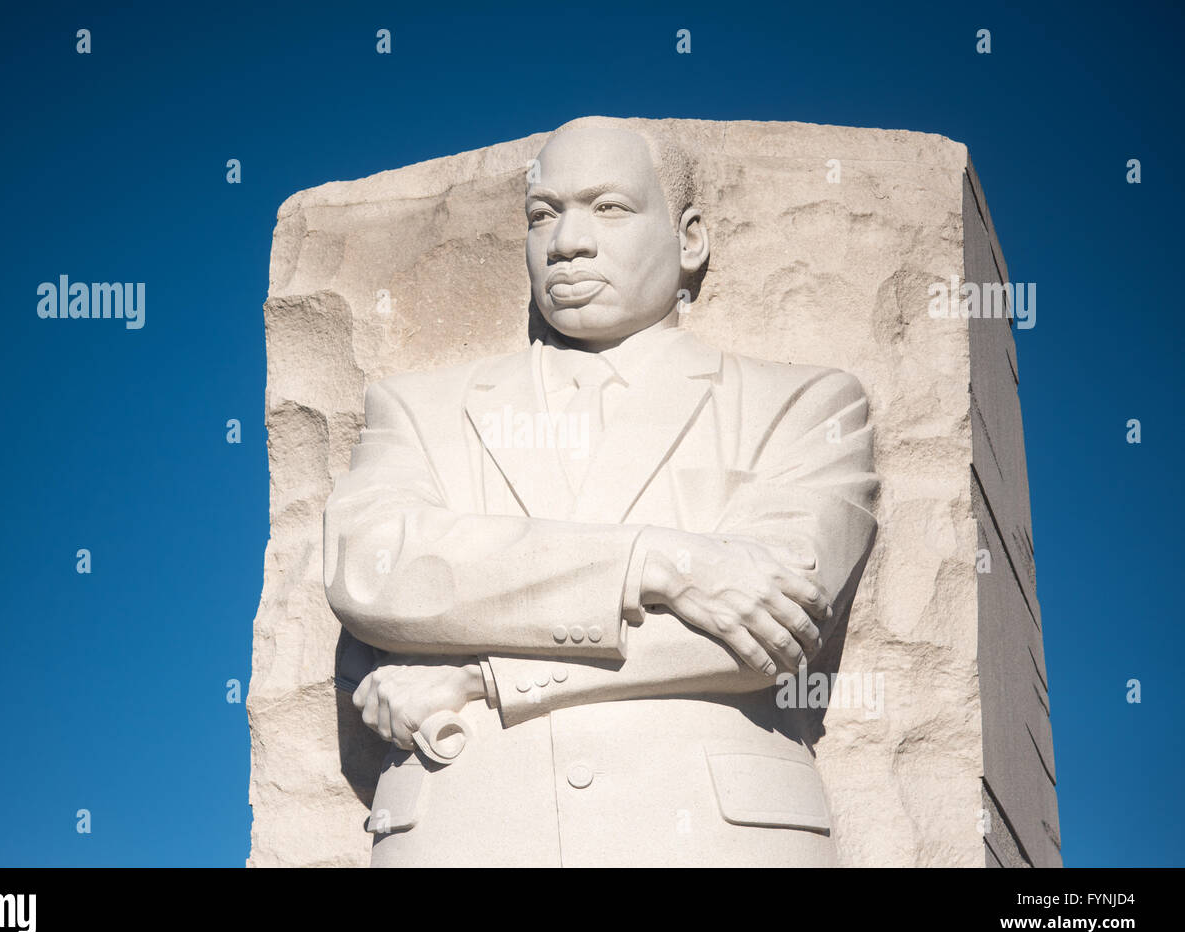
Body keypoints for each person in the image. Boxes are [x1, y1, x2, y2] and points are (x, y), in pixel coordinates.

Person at [323, 120, 879, 866]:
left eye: (608, 208)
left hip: (714, 834)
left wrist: (477, 675)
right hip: (467, 828)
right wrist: (657, 561)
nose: (567, 242)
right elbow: (376, 570)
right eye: (543, 213)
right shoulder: (420, 409)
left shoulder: (804, 404)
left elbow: (767, 632)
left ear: (689, 240)